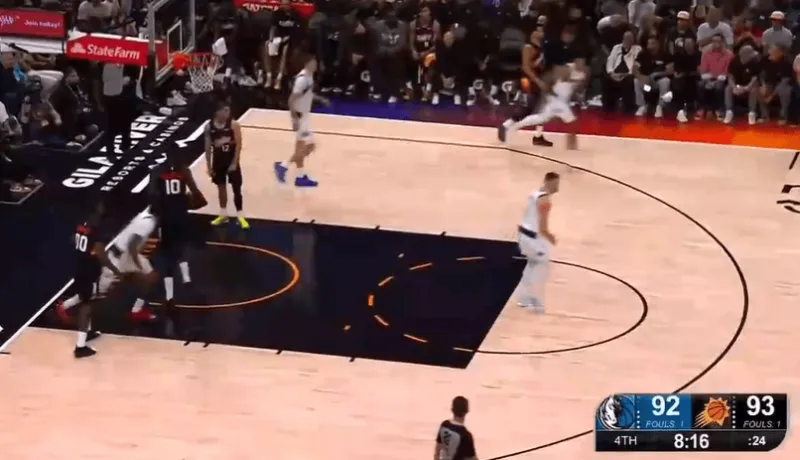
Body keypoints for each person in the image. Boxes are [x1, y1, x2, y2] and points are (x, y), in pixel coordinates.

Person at [55, 199, 122, 358]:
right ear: (95, 213)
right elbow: (101, 253)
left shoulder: (81, 225)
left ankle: (87, 331)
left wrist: (82, 250)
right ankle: (80, 346)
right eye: (100, 209)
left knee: (86, 298)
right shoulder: (96, 229)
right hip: (88, 271)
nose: (102, 212)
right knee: (86, 307)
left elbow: (73, 239)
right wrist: (115, 270)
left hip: (79, 267)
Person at [150, 154, 204, 320]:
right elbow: (196, 193)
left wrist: (158, 213)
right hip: (180, 216)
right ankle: (186, 279)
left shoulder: (157, 171)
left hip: (166, 219)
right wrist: (187, 201)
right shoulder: (184, 171)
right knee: (180, 247)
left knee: (168, 258)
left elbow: (153, 196)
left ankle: (170, 298)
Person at [274, 53, 330, 187]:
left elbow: (308, 94)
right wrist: (294, 118)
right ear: (307, 63)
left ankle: (300, 177)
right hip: (300, 117)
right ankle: (283, 166)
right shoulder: (302, 79)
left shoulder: (309, 77)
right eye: (314, 62)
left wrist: (321, 99)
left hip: (303, 115)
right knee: (310, 145)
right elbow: (291, 99)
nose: (316, 65)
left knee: (299, 148)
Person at [497, 64, 583, 150]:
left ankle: (515, 127)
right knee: (572, 122)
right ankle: (571, 146)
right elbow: (561, 78)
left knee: (541, 118)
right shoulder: (566, 72)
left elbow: (575, 86)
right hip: (557, 103)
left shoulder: (572, 76)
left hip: (556, 102)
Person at [498, 30, 553, 148]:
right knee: (527, 107)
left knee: (541, 109)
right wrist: (537, 81)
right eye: (539, 35)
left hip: (538, 80)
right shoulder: (528, 48)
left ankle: (538, 136)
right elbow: (526, 67)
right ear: (534, 37)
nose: (542, 35)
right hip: (528, 80)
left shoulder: (541, 50)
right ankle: (506, 125)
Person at [515, 172, 559, 312]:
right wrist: (551, 238)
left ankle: (524, 298)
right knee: (541, 268)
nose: (557, 187)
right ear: (548, 182)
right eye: (556, 183)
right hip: (532, 239)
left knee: (532, 265)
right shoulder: (545, 201)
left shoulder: (534, 194)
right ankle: (531, 300)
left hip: (523, 235)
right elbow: (542, 228)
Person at [206, 102, 248, 228]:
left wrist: (235, 162)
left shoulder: (234, 124)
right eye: (224, 111)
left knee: (236, 188)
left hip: (230, 159)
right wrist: (209, 166)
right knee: (221, 187)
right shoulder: (209, 127)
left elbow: (239, 145)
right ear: (217, 112)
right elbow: (207, 148)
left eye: (228, 111)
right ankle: (223, 214)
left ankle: (240, 215)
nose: (227, 113)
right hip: (218, 160)